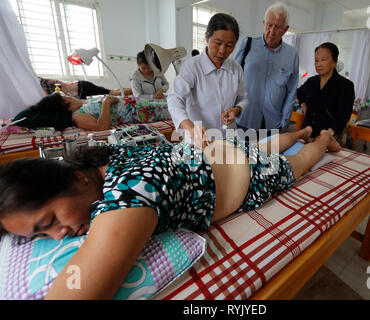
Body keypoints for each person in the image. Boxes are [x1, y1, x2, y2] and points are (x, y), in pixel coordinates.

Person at [0, 125, 341, 299]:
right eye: (42, 235)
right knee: (263, 146)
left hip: (248, 173)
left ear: (76, 179)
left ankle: (323, 138)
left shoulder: (129, 191)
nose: (57, 235)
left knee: (298, 162)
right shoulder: (105, 162)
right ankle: (300, 131)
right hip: (219, 152)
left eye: (50, 222)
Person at [168, 13, 248, 145]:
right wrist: (191, 127)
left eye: (229, 45)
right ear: (206, 37)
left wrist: (236, 110)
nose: (222, 50)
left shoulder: (236, 68)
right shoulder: (192, 67)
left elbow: (243, 98)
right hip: (199, 141)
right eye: (218, 43)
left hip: (228, 138)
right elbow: (175, 99)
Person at [233, 2, 299, 134]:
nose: (272, 31)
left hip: (273, 124)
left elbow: (291, 91)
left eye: (278, 27)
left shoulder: (292, 54)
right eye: (269, 25)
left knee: (270, 155)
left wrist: (284, 122)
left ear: (286, 29)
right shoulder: (247, 45)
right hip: (245, 120)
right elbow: (233, 78)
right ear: (264, 23)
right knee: (242, 155)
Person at [296, 42, 355, 140]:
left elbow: (344, 116)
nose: (318, 64)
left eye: (323, 60)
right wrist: (303, 105)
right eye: (316, 60)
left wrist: (328, 134)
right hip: (306, 134)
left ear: (334, 62)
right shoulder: (311, 81)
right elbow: (299, 92)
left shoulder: (345, 85)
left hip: (328, 138)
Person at [13, 93, 139, 131]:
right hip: (141, 112)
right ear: (65, 105)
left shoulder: (84, 105)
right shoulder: (77, 116)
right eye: (67, 97)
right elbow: (102, 126)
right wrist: (106, 103)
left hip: (139, 103)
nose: (71, 97)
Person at [39, 77, 132, 99]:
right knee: (111, 91)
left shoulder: (46, 83)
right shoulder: (44, 84)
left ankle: (135, 90)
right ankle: (133, 90)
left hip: (83, 87)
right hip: (81, 89)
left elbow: (63, 87)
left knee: (113, 93)